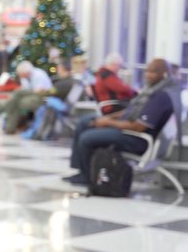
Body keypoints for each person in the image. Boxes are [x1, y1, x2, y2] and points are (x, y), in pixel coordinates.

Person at [64, 57, 178, 185]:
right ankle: (81, 170)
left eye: (153, 72)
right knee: (84, 122)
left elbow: (139, 127)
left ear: (164, 74)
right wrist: (108, 118)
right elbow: (129, 111)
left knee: (87, 137)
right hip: (129, 128)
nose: (148, 75)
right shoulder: (151, 89)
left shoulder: (161, 96)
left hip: (138, 139)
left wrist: (107, 123)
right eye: (147, 71)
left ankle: (86, 177)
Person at [0, 60, 57, 134]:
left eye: (21, 74)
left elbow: (39, 92)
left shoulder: (39, 75)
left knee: (18, 98)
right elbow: (26, 90)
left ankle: (3, 109)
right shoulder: (25, 78)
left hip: (42, 98)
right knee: (17, 99)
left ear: (26, 72)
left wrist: (24, 92)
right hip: (31, 96)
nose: (20, 76)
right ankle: (9, 128)